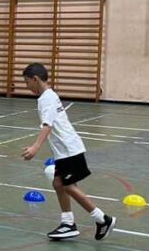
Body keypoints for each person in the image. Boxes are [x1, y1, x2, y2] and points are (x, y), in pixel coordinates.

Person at [20, 63, 114, 241]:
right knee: (58, 184)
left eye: (27, 82)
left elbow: (48, 124)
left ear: (35, 79)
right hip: (65, 151)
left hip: (70, 150)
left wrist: (35, 147)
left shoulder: (46, 98)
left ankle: (102, 219)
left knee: (68, 186)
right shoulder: (49, 95)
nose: (27, 87)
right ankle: (68, 223)